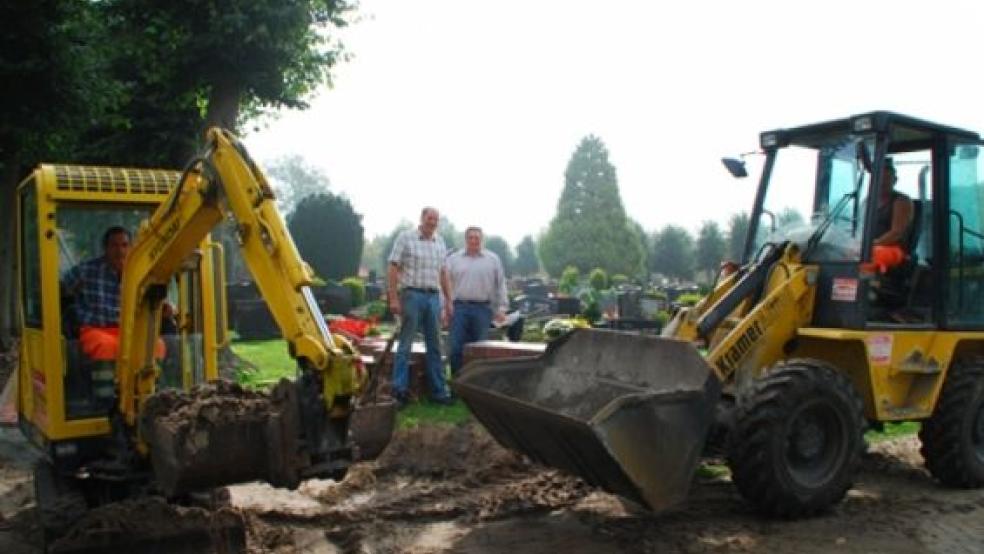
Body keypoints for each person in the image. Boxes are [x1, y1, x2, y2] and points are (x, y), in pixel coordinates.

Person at [62, 226, 168, 361]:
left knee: (156, 346)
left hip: (131, 331)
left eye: (124, 245)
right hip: (96, 329)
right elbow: (61, 287)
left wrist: (166, 308)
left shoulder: (141, 274)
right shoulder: (87, 270)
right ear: (105, 248)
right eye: (114, 246)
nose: (120, 251)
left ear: (131, 248)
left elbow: (156, 299)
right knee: (105, 347)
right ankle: (107, 382)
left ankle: (153, 382)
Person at [387, 207, 454, 407]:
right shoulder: (406, 238)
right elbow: (392, 267)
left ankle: (438, 391)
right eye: (430, 218)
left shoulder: (440, 242)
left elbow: (443, 273)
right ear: (422, 218)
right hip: (411, 295)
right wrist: (393, 297)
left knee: (435, 345)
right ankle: (399, 391)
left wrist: (449, 300)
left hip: (433, 297)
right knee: (405, 344)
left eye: (436, 219)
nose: (433, 222)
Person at [446, 226, 508, 375]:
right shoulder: (453, 260)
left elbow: (500, 284)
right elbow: (445, 284)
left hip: (483, 309)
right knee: (455, 348)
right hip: (459, 308)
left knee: (479, 350)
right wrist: (444, 307)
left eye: (477, 238)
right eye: (470, 238)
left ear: (482, 240)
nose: (474, 241)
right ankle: (457, 384)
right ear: (465, 239)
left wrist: (502, 308)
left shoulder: (493, 260)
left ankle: (474, 384)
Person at [871, 159, 914, 273]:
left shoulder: (901, 201)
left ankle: (864, 285)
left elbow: (897, 233)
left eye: (887, 179)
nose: (882, 182)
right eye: (880, 178)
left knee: (866, 258)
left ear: (894, 180)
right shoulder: (868, 202)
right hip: (874, 247)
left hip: (895, 250)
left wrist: (871, 244)